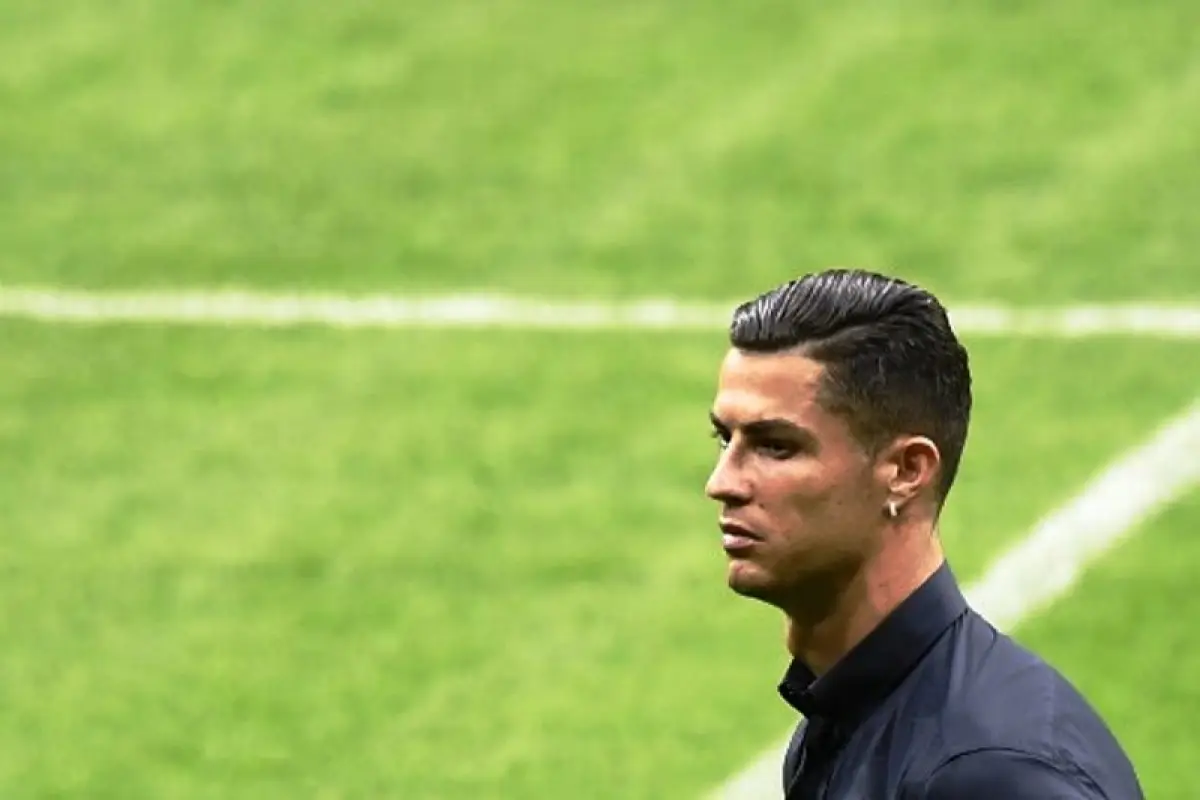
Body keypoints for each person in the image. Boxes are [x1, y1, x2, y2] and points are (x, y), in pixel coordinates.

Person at [704, 269, 1144, 799]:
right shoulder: (846, 718)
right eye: (724, 439)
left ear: (907, 471)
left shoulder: (993, 772)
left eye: (776, 446)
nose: (722, 483)